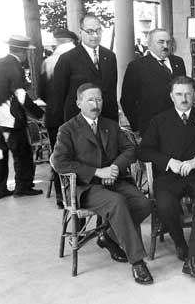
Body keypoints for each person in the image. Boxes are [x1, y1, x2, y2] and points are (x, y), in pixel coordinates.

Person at [51, 83, 153, 285]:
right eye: (90, 100)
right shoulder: (68, 129)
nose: (95, 104)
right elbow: (59, 162)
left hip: (114, 180)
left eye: (98, 99)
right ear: (79, 102)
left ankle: (108, 235)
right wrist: (97, 172)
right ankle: (137, 262)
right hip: (86, 187)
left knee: (145, 203)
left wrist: (114, 167)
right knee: (117, 203)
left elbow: (131, 150)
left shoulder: (110, 125)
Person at [138, 76, 195, 278]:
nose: (183, 98)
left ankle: (194, 256)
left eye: (187, 94)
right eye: (179, 94)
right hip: (169, 177)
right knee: (165, 204)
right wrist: (169, 162)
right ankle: (180, 243)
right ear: (171, 96)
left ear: (194, 95)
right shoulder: (159, 120)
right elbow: (144, 151)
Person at [0, 35, 44, 200]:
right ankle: (22, 187)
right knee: (22, 153)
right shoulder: (15, 67)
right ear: (23, 52)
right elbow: (21, 95)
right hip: (10, 119)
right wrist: (40, 115)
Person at [52, 14, 118, 126]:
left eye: (98, 31)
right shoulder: (67, 59)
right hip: (79, 124)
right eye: (90, 31)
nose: (95, 35)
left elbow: (111, 90)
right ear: (80, 32)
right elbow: (59, 96)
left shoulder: (110, 56)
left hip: (108, 121)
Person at [38, 28, 78, 208]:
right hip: (74, 118)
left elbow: (41, 93)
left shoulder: (48, 62)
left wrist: (54, 105)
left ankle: (62, 196)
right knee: (79, 155)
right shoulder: (77, 60)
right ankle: (79, 193)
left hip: (54, 117)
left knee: (58, 156)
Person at [121, 29, 186, 135]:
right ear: (149, 44)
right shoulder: (137, 66)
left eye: (168, 42)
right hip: (151, 127)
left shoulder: (178, 62)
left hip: (178, 124)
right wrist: (137, 126)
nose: (166, 45)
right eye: (161, 42)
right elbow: (127, 100)